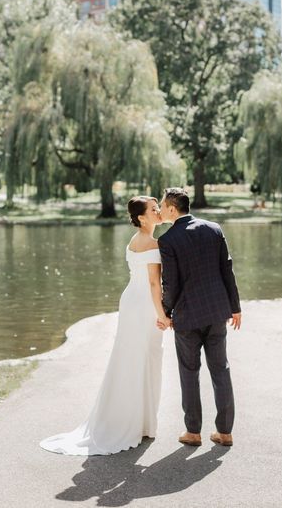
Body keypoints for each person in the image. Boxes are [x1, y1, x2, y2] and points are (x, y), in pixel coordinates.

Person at [39, 195, 167, 456]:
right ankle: (139, 423)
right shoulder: (152, 244)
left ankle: (134, 420)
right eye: (153, 210)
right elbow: (155, 284)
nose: (158, 212)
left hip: (131, 300)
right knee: (144, 360)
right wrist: (162, 314)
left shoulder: (133, 242)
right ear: (141, 218)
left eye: (158, 208)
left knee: (129, 360)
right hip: (144, 305)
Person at [157, 187, 241, 448]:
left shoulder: (168, 240)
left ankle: (193, 432)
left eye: (162, 206)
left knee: (189, 372)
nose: (159, 210)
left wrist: (166, 312)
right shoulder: (213, 229)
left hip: (187, 316)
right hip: (217, 311)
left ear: (172, 208)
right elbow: (227, 269)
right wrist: (235, 307)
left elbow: (170, 284)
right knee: (221, 369)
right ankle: (225, 432)